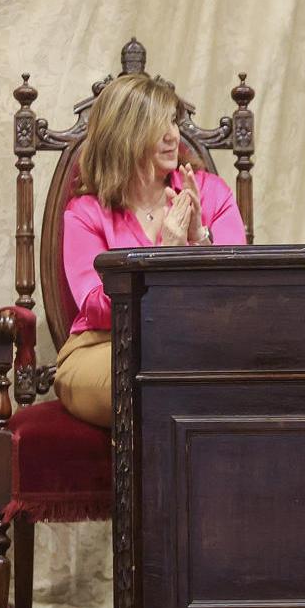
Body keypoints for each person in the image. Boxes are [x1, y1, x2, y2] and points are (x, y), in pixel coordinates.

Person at [56, 74, 244, 426]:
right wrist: (163, 260)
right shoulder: (86, 212)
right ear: (124, 133)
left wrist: (198, 241)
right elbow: (96, 308)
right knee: (152, 379)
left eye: (172, 121)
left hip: (192, 348)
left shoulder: (210, 192)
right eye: (159, 126)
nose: (174, 135)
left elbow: (234, 292)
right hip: (103, 347)